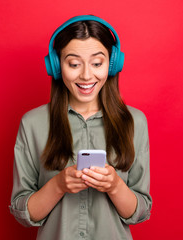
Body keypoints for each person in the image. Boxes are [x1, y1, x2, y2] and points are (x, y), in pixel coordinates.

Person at [9, 15, 152, 240]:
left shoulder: (135, 122)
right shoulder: (32, 123)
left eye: (97, 63)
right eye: (74, 64)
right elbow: (23, 212)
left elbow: (140, 211)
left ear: (112, 64)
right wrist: (58, 184)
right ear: (56, 66)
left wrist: (114, 186)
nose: (86, 75)